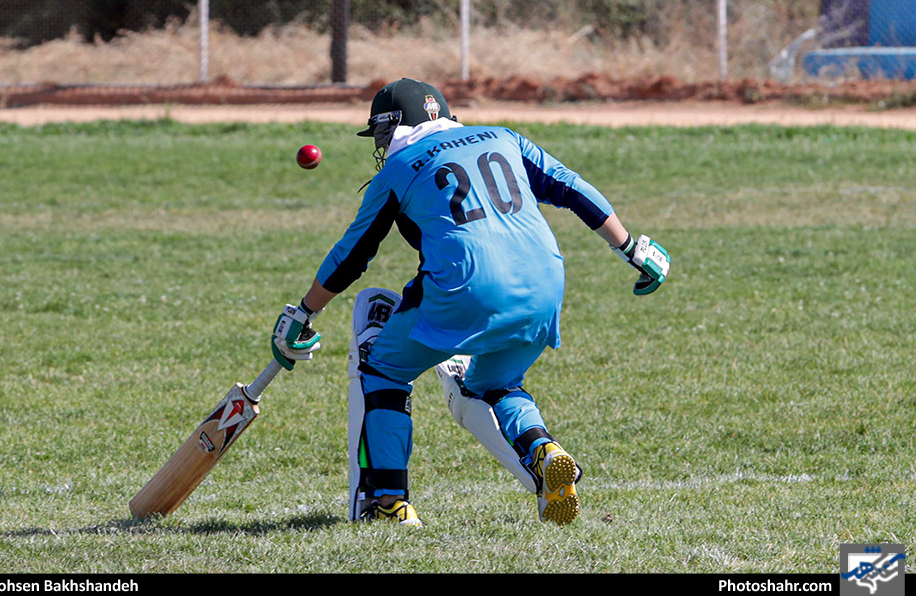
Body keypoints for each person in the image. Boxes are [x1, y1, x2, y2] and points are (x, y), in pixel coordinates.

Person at [270, 78, 670, 527]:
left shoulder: (398, 169)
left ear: (399, 125)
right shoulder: (504, 135)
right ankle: (543, 450)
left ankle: (389, 502)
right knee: (497, 384)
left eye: (382, 133)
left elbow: (352, 256)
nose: (381, 145)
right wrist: (631, 248)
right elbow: (570, 187)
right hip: (544, 282)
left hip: (465, 288)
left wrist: (304, 311)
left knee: (383, 370)